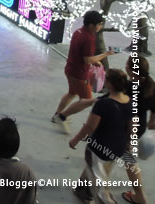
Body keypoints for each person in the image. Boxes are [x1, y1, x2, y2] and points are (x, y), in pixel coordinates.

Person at [69, 69, 132, 203]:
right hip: (118, 147)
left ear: (108, 84)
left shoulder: (103, 104)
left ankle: (104, 200)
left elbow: (90, 126)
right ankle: (81, 190)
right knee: (95, 168)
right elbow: (132, 126)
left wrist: (75, 140)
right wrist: (129, 144)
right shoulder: (129, 102)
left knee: (98, 181)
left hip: (99, 148)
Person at [53, 11, 115, 133]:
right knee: (87, 101)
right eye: (99, 24)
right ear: (92, 25)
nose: (100, 27)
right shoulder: (88, 38)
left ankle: (57, 114)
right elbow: (87, 59)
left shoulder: (78, 32)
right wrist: (105, 55)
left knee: (72, 93)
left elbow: (81, 54)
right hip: (79, 75)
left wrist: (93, 60)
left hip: (70, 69)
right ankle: (62, 116)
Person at [121, 55, 154, 204]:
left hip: (127, 130)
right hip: (139, 129)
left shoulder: (129, 88)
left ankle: (140, 197)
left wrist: (129, 139)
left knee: (129, 162)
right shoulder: (151, 84)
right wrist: (152, 121)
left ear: (130, 69)